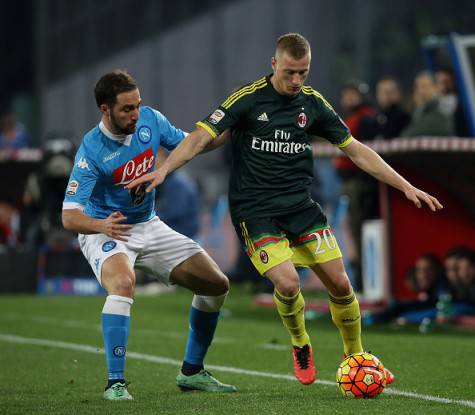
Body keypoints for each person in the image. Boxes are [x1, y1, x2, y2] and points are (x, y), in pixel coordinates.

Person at [127, 33, 443, 386]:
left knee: (340, 282)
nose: (296, 81)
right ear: (274, 64)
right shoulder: (247, 99)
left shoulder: (313, 104)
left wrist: (406, 185)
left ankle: (355, 355)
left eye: (303, 73)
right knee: (290, 284)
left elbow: (356, 149)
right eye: (290, 72)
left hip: (300, 207)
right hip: (256, 211)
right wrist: (165, 169)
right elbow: (201, 137)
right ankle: (300, 342)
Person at [61, 70, 235, 401]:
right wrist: (101, 226)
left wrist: (233, 125)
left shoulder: (150, 121)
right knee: (124, 284)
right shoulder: (92, 149)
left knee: (216, 284)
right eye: (126, 109)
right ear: (105, 109)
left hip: (148, 224)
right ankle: (115, 384)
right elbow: (69, 216)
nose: (135, 114)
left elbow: (192, 143)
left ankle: (192, 372)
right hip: (106, 229)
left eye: (137, 105)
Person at [401, 71, 452, 137]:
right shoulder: (418, 111)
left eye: (424, 87)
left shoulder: (441, 110)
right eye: (417, 87)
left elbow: (412, 133)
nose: (420, 91)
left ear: (436, 88)